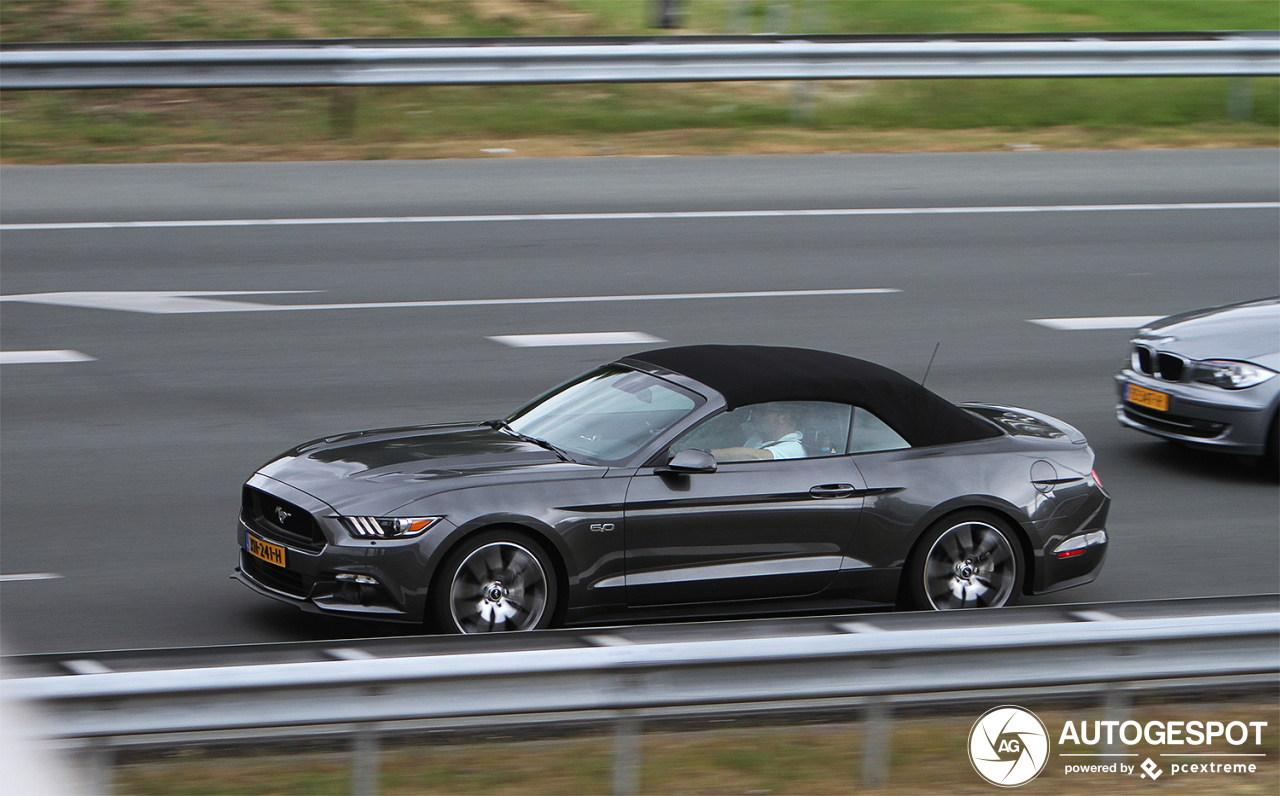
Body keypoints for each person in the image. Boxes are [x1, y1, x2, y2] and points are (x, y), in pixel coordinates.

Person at [711, 404, 805, 461]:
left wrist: (707, 455)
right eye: (754, 411)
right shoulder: (757, 438)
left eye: (762, 412)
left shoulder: (793, 449)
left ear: (783, 419)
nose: (755, 415)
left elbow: (755, 457)